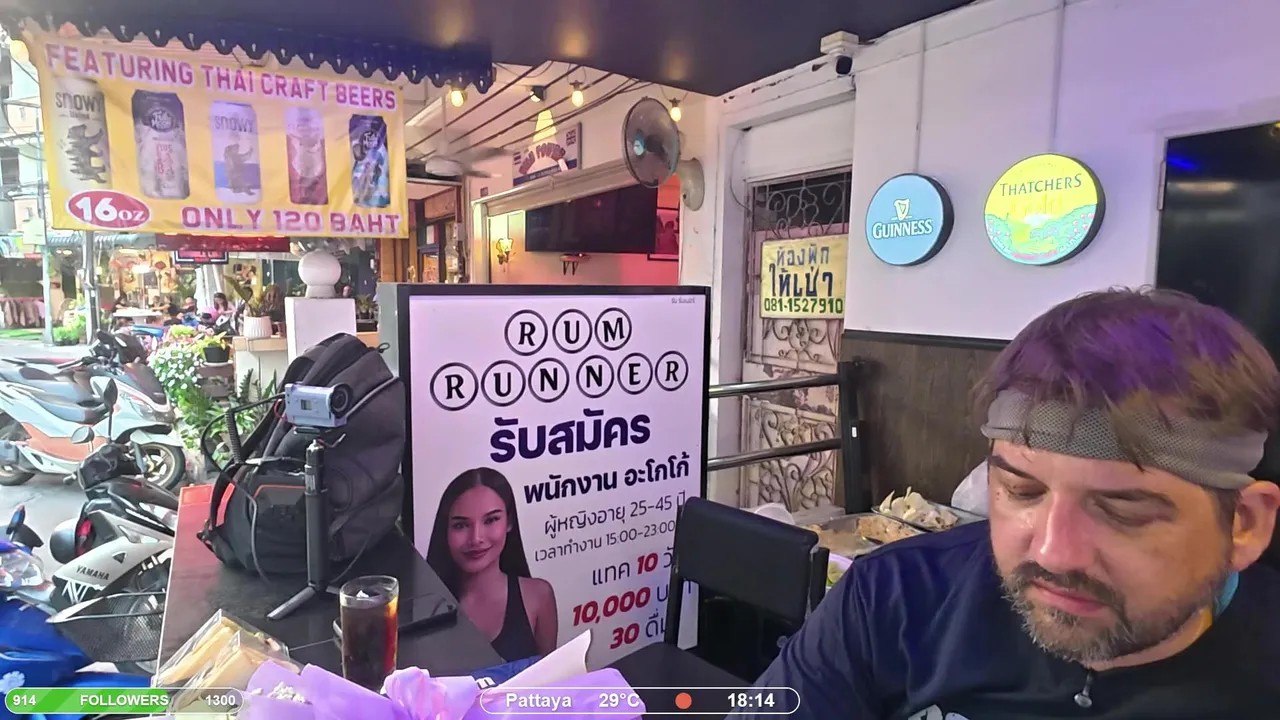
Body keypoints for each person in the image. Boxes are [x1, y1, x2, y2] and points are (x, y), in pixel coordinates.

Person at [747, 288, 1280, 718]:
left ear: (1245, 525)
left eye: (1123, 511)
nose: (1053, 553)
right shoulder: (893, 598)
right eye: (1023, 492)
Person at [425, 468, 558, 661]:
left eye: (491, 520)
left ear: (509, 522)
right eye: (461, 525)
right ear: (445, 530)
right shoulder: (424, 609)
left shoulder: (538, 597)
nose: (476, 538)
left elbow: (551, 676)